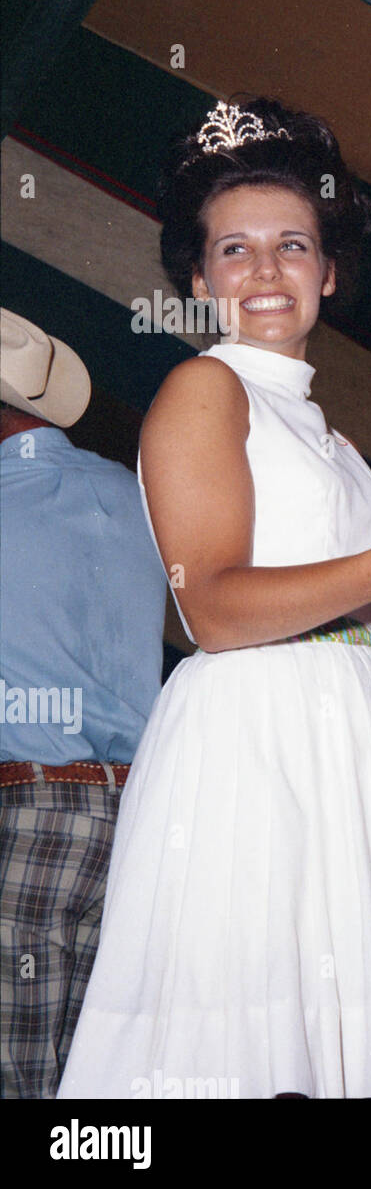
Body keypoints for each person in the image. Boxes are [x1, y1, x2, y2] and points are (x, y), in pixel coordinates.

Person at [57, 99, 371, 1099]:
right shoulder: (205, 390)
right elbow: (214, 610)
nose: (265, 272)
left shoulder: (335, 436)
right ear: (198, 278)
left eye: (291, 246)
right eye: (235, 249)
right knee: (247, 1031)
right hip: (255, 745)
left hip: (343, 747)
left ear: (328, 270)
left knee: (332, 1031)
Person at [0, 311, 166, 1098]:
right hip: (140, 811)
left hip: (24, 809)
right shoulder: (133, 492)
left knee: (15, 1066)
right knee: (100, 1075)